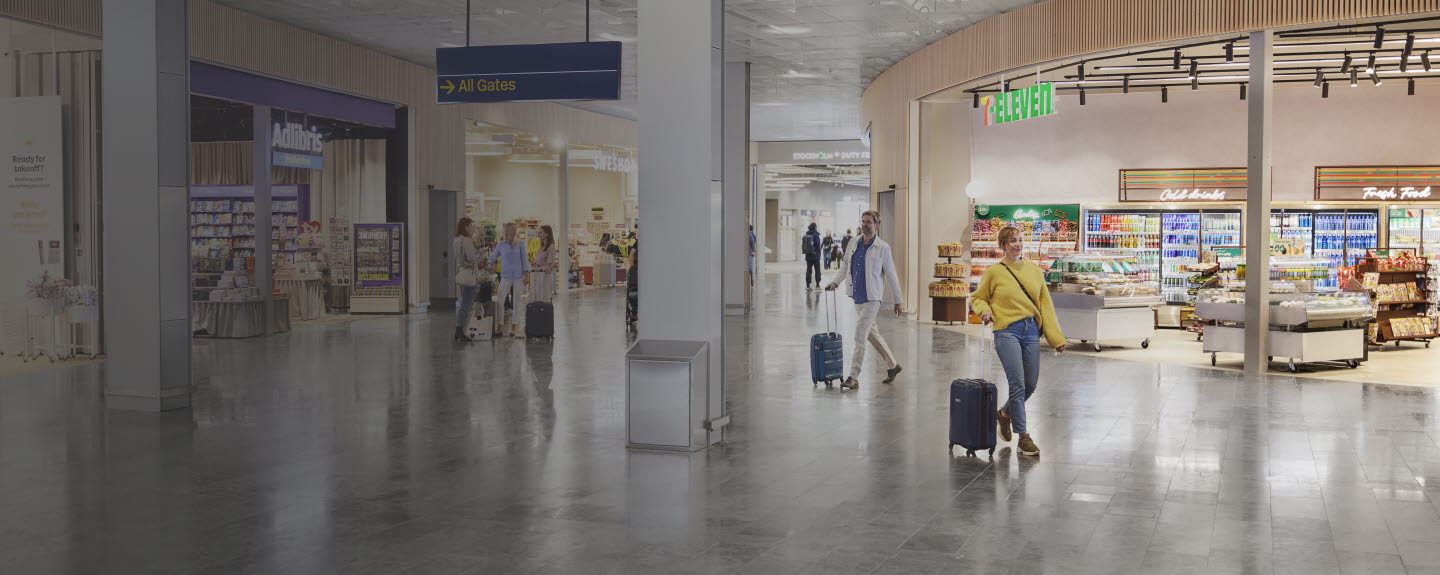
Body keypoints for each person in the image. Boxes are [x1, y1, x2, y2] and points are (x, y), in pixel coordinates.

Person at [969, 225, 1066, 457]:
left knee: (1030, 385)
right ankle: (1023, 437)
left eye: (1020, 240)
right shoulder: (994, 272)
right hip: (1006, 331)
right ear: (1003, 245)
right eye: (1012, 240)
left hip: (1031, 330)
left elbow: (1045, 306)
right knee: (1018, 384)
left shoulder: (1033, 270)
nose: (1017, 244)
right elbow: (978, 297)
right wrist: (985, 310)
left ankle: (1003, 414)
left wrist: (1055, 338)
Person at [825, 211, 903, 390]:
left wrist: (898, 300)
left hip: (872, 298)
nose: (865, 224)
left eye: (869, 222)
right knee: (870, 333)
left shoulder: (883, 247)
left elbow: (891, 275)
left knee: (860, 334)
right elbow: (845, 264)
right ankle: (893, 366)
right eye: (863, 221)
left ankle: (853, 377)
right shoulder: (854, 242)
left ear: (877, 225)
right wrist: (835, 282)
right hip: (857, 296)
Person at [489, 222, 531, 337]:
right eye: (512, 229)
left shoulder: (520, 243)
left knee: (516, 302)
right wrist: (492, 263)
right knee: (500, 301)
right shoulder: (501, 245)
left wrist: (527, 275)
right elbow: (492, 257)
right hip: (505, 276)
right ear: (507, 231)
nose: (514, 231)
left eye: (515, 229)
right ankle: (500, 326)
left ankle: (514, 326)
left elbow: (524, 260)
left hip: (519, 276)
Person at [452, 218, 482, 342]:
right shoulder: (467, 240)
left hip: (462, 273)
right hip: (469, 275)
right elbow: (472, 257)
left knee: (464, 302)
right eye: (471, 226)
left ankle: (460, 330)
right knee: (466, 304)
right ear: (466, 227)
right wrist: (481, 252)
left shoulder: (457, 240)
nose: (473, 229)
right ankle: (459, 331)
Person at [530, 225, 558, 303]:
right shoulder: (542, 246)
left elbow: (550, 265)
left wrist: (538, 268)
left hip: (544, 276)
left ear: (547, 234)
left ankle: (544, 314)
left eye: (540, 232)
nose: (538, 234)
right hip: (538, 275)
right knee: (537, 298)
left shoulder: (551, 247)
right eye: (538, 232)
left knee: (544, 298)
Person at [802, 222, 822, 291]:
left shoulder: (806, 235)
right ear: (815, 227)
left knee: (808, 271)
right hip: (815, 256)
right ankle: (817, 285)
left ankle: (807, 285)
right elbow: (818, 246)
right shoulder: (816, 235)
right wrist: (819, 255)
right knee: (817, 270)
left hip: (808, 256)